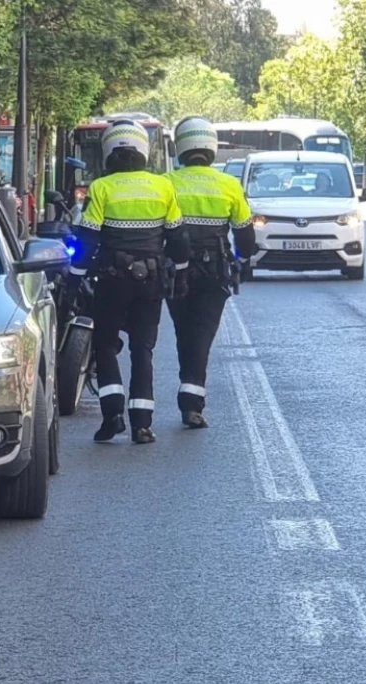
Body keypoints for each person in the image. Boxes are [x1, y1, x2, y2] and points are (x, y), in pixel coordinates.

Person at [63, 119, 191, 445]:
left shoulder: (102, 188)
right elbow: (177, 239)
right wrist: (181, 270)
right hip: (151, 282)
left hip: (111, 281)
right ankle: (142, 424)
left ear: (108, 152)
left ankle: (112, 414)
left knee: (106, 345)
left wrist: (75, 280)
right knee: (142, 349)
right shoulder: (163, 186)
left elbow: (88, 239)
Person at [166, 116, 256, 429]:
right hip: (215, 271)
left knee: (184, 332)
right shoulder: (229, 185)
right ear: (212, 148)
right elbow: (245, 236)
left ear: (181, 148)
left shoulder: (168, 182)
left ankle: (189, 393)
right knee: (202, 333)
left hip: (175, 272)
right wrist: (244, 261)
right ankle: (192, 402)